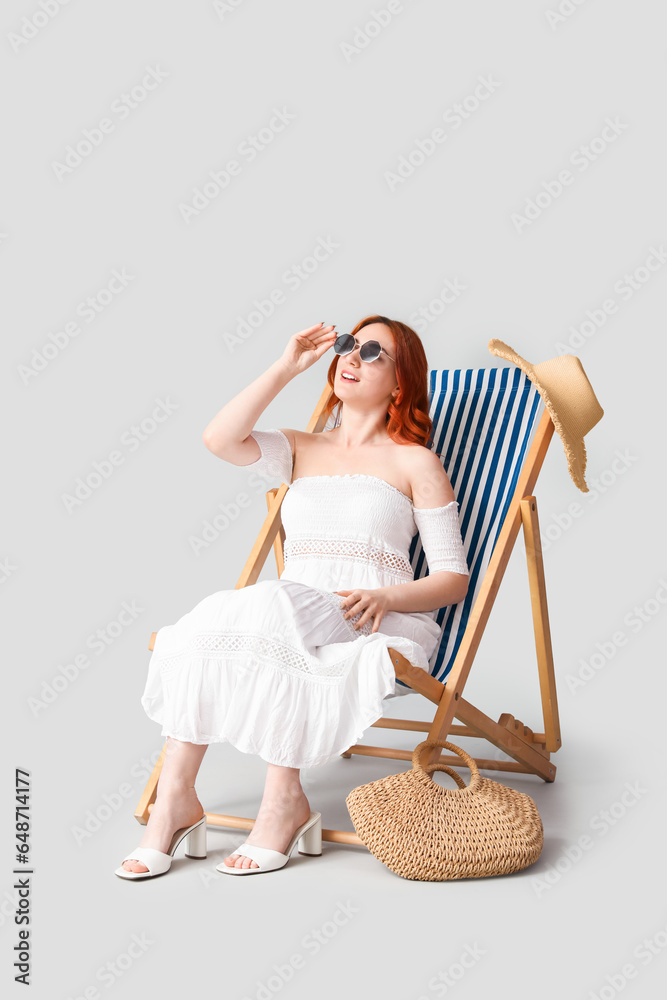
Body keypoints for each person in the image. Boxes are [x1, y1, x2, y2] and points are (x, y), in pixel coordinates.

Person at [115, 315, 469, 878]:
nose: (352, 357)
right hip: (294, 609)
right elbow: (219, 438)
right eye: (350, 345)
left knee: (266, 606)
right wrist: (287, 367)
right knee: (207, 623)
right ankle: (174, 801)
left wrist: (387, 597)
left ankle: (283, 804)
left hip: (374, 617)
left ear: (401, 382)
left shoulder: (414, 462)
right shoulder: (301, 448)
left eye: (374, 353)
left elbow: (453, 578)